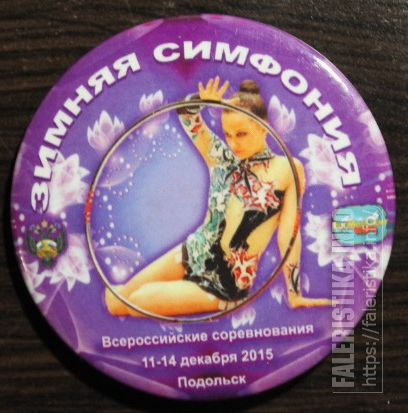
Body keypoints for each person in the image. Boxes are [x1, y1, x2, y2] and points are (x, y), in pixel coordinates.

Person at [105, 76, 333, 317]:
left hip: (226, 281)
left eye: (241, 134)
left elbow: (289, 236)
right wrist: (202, 100)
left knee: (134, 304)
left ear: (263, 126)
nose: (234, 143)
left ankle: (220, 300)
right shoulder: (221, 158)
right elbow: (186, 113)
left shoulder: (288, 168)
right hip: (194, 251)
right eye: (228, 134)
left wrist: (294, 293)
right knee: (115, 302)